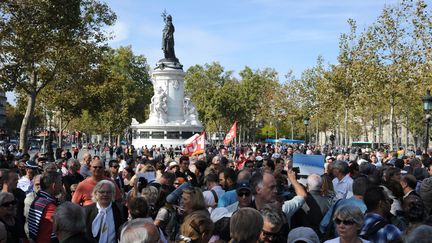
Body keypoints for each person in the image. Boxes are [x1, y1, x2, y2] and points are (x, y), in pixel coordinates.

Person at [28, 171, 63, 243]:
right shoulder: (49, 206)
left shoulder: (39, 199)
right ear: (54, 185)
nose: (61, 186)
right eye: (60, 183)